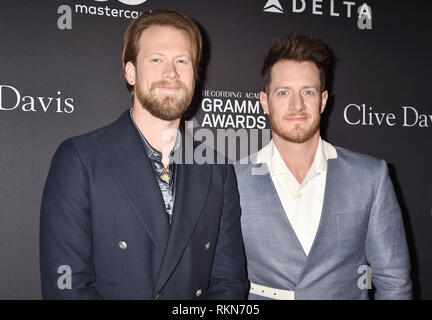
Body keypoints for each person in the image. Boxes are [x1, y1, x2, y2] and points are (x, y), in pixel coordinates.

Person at [40, 9, 248, 300]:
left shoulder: (217, 169)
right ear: (131, 72)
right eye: (156, 59)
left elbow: (230, 282)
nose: (171, 72)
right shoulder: (80, 160)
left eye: (182, 61)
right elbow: (67, 288)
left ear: (195, 75)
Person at [235, 34, 412, 300]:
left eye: (308, 92)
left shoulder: (370, 177)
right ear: (264, 101)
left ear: (323, 100)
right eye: (284, 92)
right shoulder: (233, 179)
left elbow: (394, 281)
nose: (297, 105)